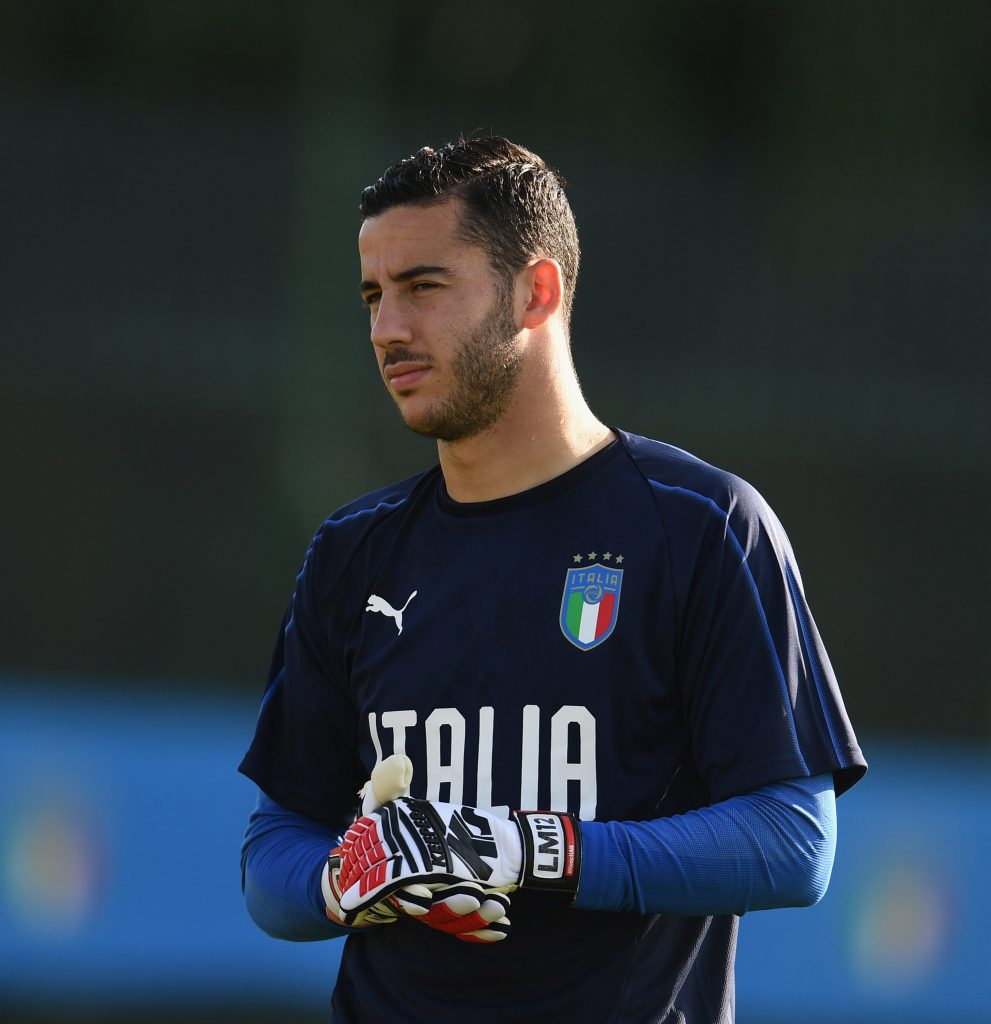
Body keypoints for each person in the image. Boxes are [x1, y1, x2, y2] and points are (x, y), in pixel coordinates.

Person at [238, 136, 867, 1023]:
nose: (386, 329)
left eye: (423, 286)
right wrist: (349, 881)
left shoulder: (701, 526)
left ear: (536, 292)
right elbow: (273, 857)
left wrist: (523, 847)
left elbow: (791, 843)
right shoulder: (353, 553)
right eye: (373, 295)